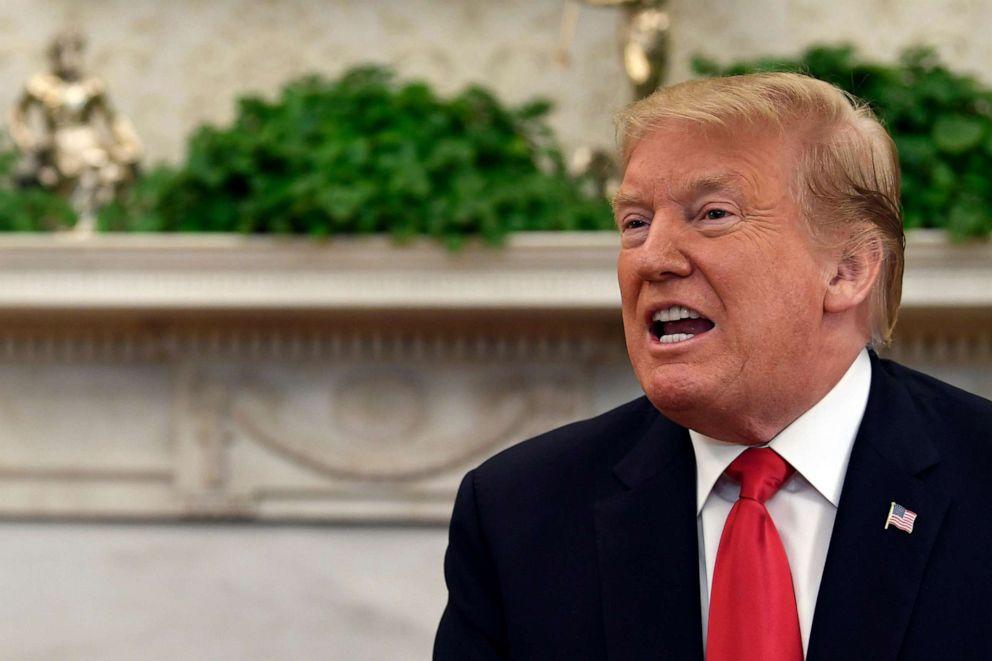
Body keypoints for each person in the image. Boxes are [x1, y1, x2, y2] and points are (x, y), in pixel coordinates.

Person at [434, 72, 992, 660]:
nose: (653, 259)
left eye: (713, 214)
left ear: (847, 270)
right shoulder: (519, 512)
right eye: (635, 223)